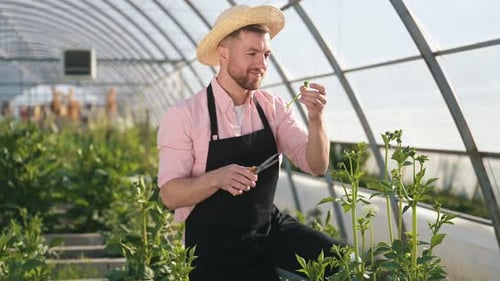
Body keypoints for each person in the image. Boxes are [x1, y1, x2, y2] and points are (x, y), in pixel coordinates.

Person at [157, 5, 341, 281]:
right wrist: (215, 179)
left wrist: (316, 120)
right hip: (213, 250)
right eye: (252, 53)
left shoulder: (273, 108)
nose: (262, 64)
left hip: (267, 231)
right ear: (223, 52)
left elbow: (315, 165)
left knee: (342, 262)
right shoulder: (184, 116)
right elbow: (170, 195)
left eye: (266, 54)